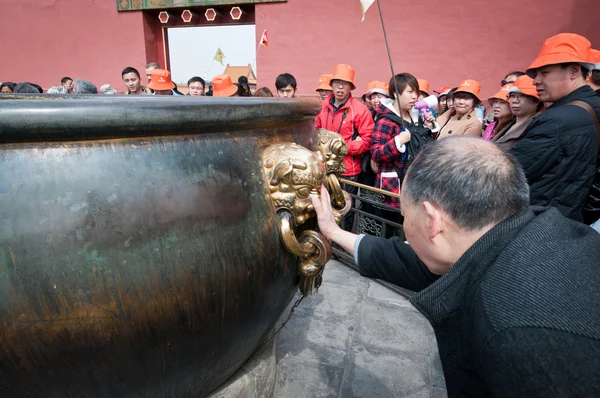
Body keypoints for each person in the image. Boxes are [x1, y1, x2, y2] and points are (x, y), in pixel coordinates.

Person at [312, 136, 600, 398]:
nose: (404, 224)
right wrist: (334, 232)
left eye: (403, 214)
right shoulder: (529, 231)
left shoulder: (518, 334)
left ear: (431, 220)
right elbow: (415, 262)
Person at [510, 33, 600, 223]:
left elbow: (509, 173)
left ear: (574, 71)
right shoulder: (593, 106)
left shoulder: (556, 121)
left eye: (545, 73)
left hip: (542, 223)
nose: (535, 81)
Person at [315, 64, 373, 231]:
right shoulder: (322, 107)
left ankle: (342, 246)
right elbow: (315, 132)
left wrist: (342, 148)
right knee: (325, 207)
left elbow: (367, 139)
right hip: (324, 169)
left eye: (345, 83)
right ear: (331, 85)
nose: (340, 87)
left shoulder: (360, 110)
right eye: (337, 83)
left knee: (345, 209)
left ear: (351, 87)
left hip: (348, 171)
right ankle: (326, 242)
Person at [492, 76, 542, 151]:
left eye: (521, 96)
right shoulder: (508, 123)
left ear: (536, 101)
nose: (515, 100)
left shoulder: (538, 126)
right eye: (512, 96)